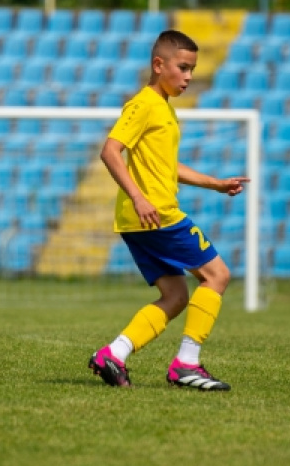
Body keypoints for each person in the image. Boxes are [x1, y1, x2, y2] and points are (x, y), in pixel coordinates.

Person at [89, 29, 249, 390]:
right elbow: (110, 151)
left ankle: (112, 355)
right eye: (183, 67)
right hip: (156, 215)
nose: (189, 77)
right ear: (159, 65)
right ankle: (186, 364)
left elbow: (167, 166)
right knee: (217, 276)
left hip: (139, 221)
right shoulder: (144, 103)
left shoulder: (163, 107)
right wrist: (139, 196)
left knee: (176, 296)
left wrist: (215, 183)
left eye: (192, 69)